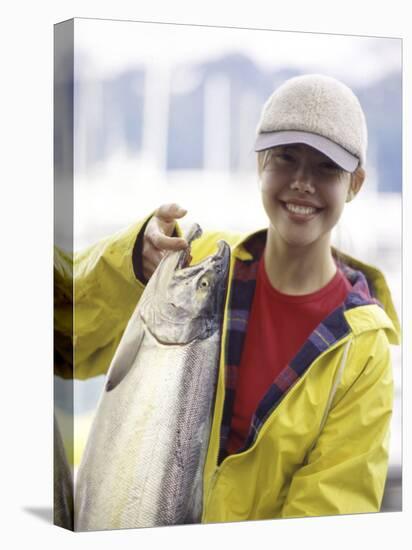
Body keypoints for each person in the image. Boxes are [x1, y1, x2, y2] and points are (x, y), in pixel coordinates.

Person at [54, 74, 400, 522]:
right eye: (286, 158)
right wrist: (131, 266)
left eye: (326, 167)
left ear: (355, 183)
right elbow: (63, 338)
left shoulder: (363, 351)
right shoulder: (192, 261)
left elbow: (327, 516)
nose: (301, 182)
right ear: (260, 164)